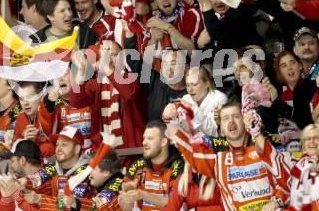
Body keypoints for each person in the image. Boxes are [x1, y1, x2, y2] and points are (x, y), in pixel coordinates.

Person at [163, 101, 291, 210]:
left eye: (236, 116)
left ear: (244, 122)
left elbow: (288, 181)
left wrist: (276, 202)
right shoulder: (217, 160)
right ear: (222, 130)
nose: (231, 121)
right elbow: (189, 150)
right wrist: (170, 121)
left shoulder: (263, 147)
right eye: (225, 118)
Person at [71, 40, 147, 150]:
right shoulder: (96, 84)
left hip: (133, 151)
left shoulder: (131, 77)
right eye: (105, 57)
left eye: (114, 55)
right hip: (105, 153)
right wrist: (81, 74)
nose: (109, 60)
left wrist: (106, 67)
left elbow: (129, 93)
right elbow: (76, 102)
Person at [19, 127, 93, 210]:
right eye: (57, 144)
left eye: (64, 144)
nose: (58, 148)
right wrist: (24, 182)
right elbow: (37, 179)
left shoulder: (87, 173)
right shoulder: (54, 168)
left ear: (77, 149)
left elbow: (69, 206)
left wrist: (39, 199)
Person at [118, 121, 184, 211]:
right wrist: (127, 194)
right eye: (144, 138)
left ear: (163, 142)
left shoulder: (179, 166)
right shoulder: (138, 165)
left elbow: (176, 204)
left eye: (150, 138)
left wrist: (143, 194)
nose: (144, 142)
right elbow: (126, 209)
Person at [39, 69, 94, 150]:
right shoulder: (53, 105)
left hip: (94, 155)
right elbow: (48, 134)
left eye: (65, 74)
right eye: (56, 77)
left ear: (76, 76)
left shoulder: (90, 96)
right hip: (69, 157)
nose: (60, 79)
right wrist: (49, 104)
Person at [181, 66, 228, 137]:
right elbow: (183, 130)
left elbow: (215, 133)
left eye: (194, 84)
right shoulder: (186, 99)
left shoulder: (220, 98)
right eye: (187, 85)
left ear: (207, 83)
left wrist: (194, 109)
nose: (190, 89)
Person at [14, 81, 55, 158]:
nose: (25, 103)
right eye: (21, 99)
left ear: (41, 97)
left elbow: (53, 147)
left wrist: (33, 143)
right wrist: (25, 141)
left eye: (30, 97)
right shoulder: (20, 118)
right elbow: (17, 153)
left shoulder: (50, 112)